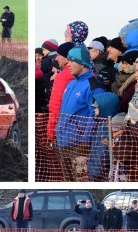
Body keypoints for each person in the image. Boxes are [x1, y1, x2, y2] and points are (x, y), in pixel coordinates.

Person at [55, 44, 105, 181]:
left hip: (79, 145)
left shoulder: (94, 85)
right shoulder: (71, 83)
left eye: (72, 61)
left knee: (81, 180)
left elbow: (95, 115)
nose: (68, 64)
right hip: (63, 142)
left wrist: (84, 140)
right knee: (68, 182)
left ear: (82, 63)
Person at [47, 42, 75, 142]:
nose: (56, 58)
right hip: (81, 132)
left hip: (62, 132)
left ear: (67, 57)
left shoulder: (63, 77)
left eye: (59, 55)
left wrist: (51, 133)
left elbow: (55, 106)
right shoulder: (90, 74)